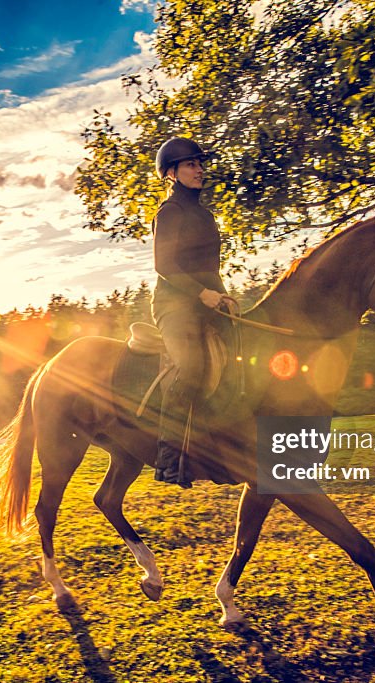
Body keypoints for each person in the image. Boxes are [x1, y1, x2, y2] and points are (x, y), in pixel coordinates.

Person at [151, 136, 233, 488]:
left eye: (200, 164)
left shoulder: (204, 213)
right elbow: (164, 264)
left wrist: (224, 296)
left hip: (207, 301)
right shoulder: (169, 212)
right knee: (193, 366)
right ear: (171, 173)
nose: (199, 170)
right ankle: (168, 460)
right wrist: (201, 293)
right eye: (190, 165)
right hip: (174, 305)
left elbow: (209, 267)